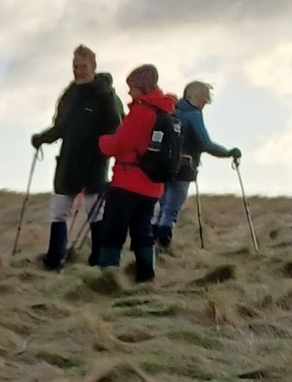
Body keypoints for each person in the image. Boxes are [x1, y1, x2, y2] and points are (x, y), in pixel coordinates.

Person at [30, 46, 122, 271]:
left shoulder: (106, 95)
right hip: (68, 163)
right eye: (75, 67)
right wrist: (42, 138)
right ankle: (54, 259)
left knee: (95, 212)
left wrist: (103, 153)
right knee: (59, 212)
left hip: (94, 164)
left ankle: (98, 261)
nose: (79, 71)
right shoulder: (68, 95)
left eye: (83, 67)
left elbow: (116, 128)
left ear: (93, 66)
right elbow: (60, 127)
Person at [92, 63, 180, 283]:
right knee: (143, 231)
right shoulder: (166, 111)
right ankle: (146, 276)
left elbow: (118, 145)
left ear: (142, 86)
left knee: (114, 231)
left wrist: (102, 141)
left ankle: (107, 279)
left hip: (127, 183)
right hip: (153, 186)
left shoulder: (141, 112)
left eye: (132, 87)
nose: (129, 92)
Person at [155, 80, 242, 252]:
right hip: (184, 167)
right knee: (172, 209)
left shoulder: (170, 111)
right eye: (205, 98)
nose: (206, 102)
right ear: (194, 95)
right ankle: (163, 245)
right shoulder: (193, 115)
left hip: (162, 166)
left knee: (161, 204)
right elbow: (206, 144)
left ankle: (150, 246)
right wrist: (228, 152)